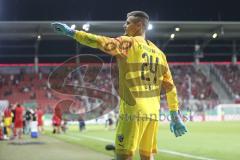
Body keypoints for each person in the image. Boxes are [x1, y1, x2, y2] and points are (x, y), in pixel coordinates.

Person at [52, 11, 187, 160]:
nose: (124, 25)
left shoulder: (128, 43)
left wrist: (73, 33)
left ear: (139, 25)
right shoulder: (160, 53)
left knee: (123, 155)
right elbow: (170, 87)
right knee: (147, 156)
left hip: (133, 109)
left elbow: (100, 41)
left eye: (128, 22)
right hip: (153, 112)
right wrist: (174, 115)